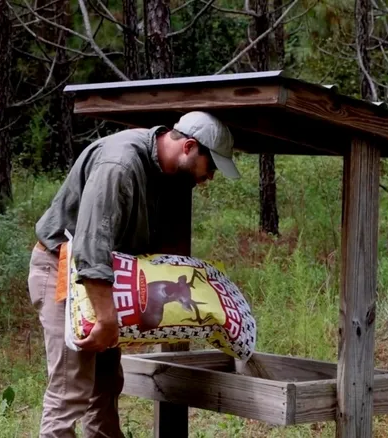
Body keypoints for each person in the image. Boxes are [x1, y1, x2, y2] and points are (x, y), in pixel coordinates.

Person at [27, 111, 240, 438]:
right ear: (189, 147)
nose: (209, 177)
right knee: (71, 389)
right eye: (210, 166)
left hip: (98, 277)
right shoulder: (120, 165)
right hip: (64, 271)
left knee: (107, 383)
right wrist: (106, 318)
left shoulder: (160, 168)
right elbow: (90, 245)